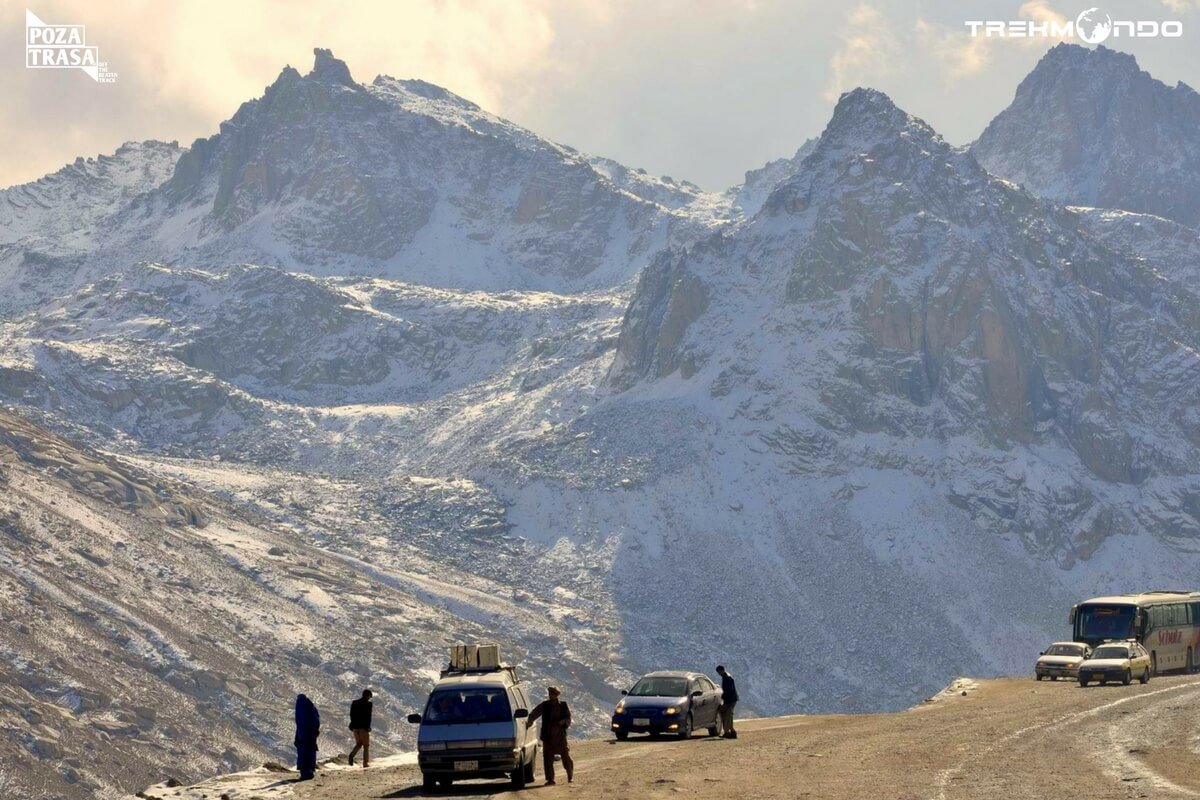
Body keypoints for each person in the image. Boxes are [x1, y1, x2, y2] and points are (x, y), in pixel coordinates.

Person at [526, 686, 574, 785]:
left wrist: (563, 722)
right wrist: (528, 722)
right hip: (548, 736)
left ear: (556, 695)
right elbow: (535, 713)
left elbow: (568, 718)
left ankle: (570, 776)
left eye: (552, 694)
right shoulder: (545, 705)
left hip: (560, 736)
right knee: (547, 758)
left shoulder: (563, 705)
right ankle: (550, 779)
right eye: (550, 694)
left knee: (566, 756)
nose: (550, 696)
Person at [294, 694, 321, 780]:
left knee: (303, 753)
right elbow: (316, 721)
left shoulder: (301, 708)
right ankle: (309, 771)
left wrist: (299, 737)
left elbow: (300, 723)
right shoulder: (311, 708)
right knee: (309, 753)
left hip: (303, 735)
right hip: (311, 735)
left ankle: (305, 773)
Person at [347, 689, 373, 768]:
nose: (369, 698)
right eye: (369, 697)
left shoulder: (354, 703)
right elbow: (368, 717)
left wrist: (352, 725)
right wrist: (368, 727)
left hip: (355, 727)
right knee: (366, 745)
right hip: (363, 728)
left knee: (358, 744)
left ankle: (351, 755)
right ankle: (365, 763)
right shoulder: (368, 705)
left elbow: (351, 715)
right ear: (367, 696)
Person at [716, 665, 738, 739]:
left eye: (719, 672)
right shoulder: (726, 677)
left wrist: (723, 697)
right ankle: (732, 732)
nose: (718, 674)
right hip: (730, 700)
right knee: (728, 716)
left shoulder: (727, 678)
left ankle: (727, 732)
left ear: (721, 670)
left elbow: (729, 691)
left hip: (730, 700)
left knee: (727, 716)